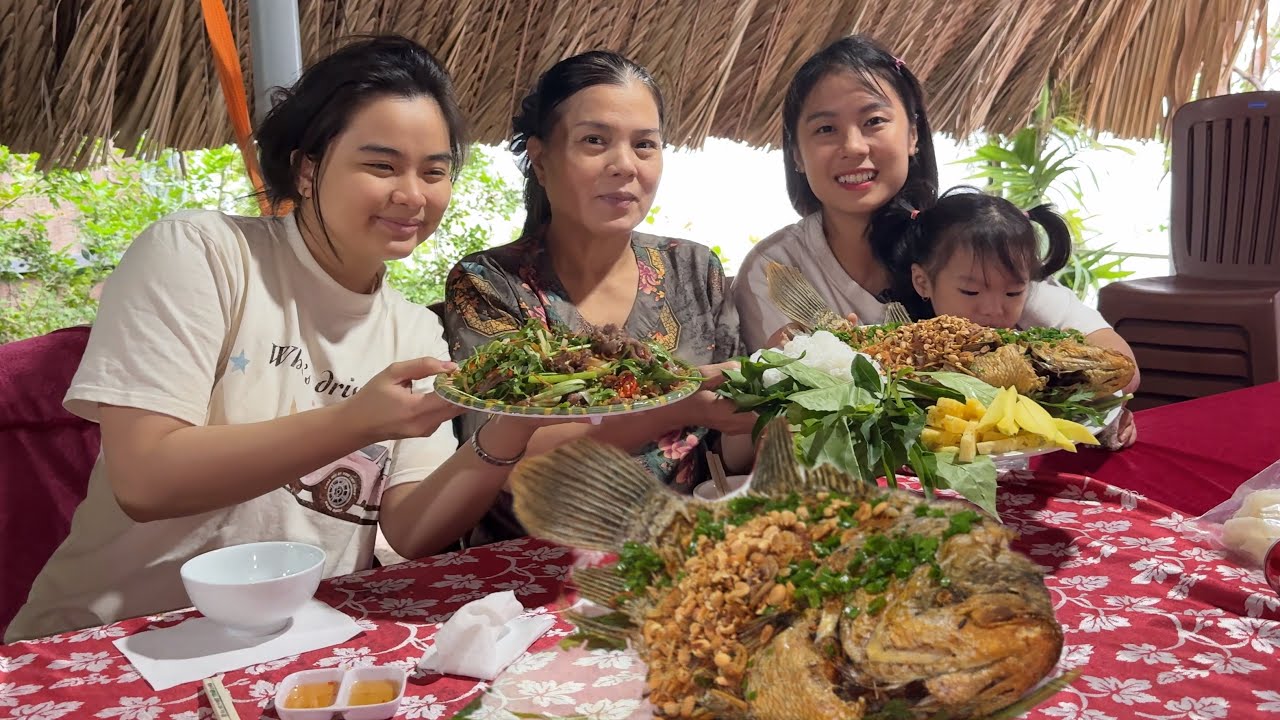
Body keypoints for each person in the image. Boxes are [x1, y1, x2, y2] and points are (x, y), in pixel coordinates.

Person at [7, 36, 557, 643]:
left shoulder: (413, 327)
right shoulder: (203, 253)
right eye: (381, 165)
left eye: (434, 171)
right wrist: (357, 422)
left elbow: (408, 529)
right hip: (119, 637)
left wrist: (511, 425)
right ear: (307, 167)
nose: (413, 195)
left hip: (296, 641)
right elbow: (144, 480)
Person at [443, 50, 753, 545]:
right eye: (595, 141)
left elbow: (726, 446)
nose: (625, 165)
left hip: (674, 550)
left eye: (645, 145)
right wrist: (678, 406)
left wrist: (771, 392)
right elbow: (499, 454)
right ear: (541, 160)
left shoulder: (695, 269)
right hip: (526, 570)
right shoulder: (490, 281)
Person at [732, 35, 1139, 393]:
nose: (853, 146)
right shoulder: (774, 268)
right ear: (797, 155)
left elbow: (1119, 365)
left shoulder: (965, 237)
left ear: (912, 135)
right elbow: (780, 400)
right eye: (825, 129)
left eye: (873, 121)